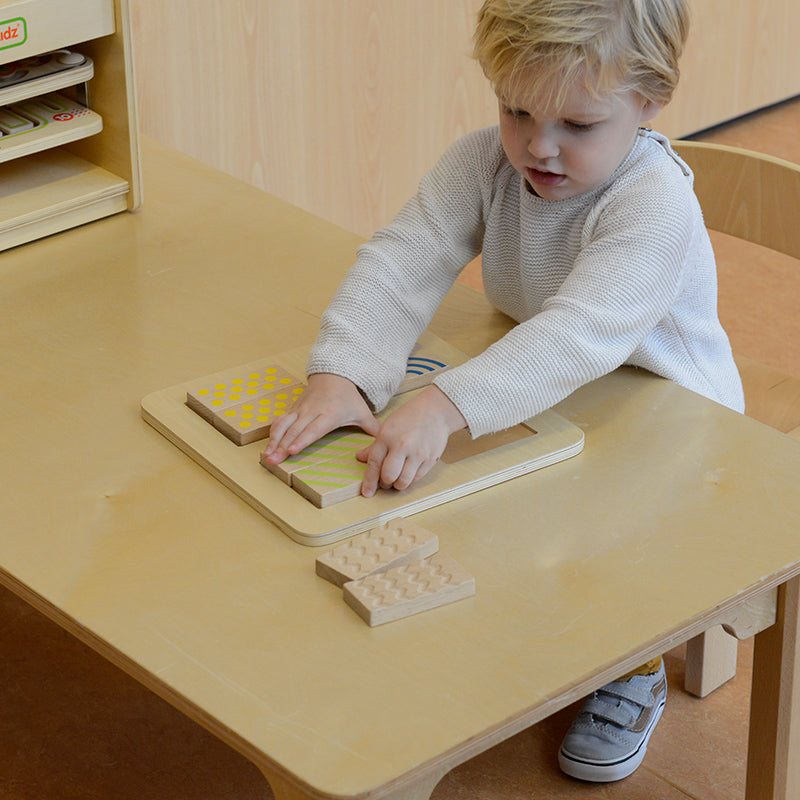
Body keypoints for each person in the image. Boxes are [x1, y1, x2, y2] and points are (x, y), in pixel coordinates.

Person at [264, 0, 744, 782]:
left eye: (577, 125)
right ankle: (533, 619)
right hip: (544, 387)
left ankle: (634, 661)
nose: (537, 146)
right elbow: (404, 258)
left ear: (650, 101)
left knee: (623, 537)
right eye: (516, 110)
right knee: (486, 509)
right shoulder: (484, 160)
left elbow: (578, 334)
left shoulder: (656, 204)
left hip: (670, 411)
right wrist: (342, 372)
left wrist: (442, 405)